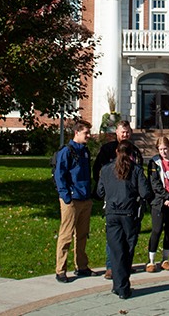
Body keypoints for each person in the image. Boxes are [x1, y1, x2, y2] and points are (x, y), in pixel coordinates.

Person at [97, 140, 153, 299]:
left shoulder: (106, 169)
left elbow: (100, 192)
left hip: (112, 214)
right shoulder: (135, 170)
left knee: (116, 251)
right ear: (131, 154)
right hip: (129, 214)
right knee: (127, 250)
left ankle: (118, 285)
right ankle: (123, 287)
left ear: (116, 152)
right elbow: (145, 192)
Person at [92, 120, 145, 280]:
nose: (125, 135)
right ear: (116, 132)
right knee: (114, 236)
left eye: (128, 132)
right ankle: (111, 267)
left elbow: (139, 173)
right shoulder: (108, 149)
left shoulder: (134, 151)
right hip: (113, 200)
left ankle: (125, 267)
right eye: (123, 132)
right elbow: (98, 170)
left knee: (129, 237)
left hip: (130, 201)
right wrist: (105, 189)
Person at [54, 120, 95, 283]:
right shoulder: (66, 151)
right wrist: (66, 196)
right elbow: (60, 175)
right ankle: (60, 269)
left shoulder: (85, 151)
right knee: (66, 235)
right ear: (77, 132)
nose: (89, 136)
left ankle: (81, 266)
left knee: (82, 234)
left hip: (85, 198)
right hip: (71, 200)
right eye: (86, 133)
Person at [145, 136, 169, 272]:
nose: (163, 152)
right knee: (156, 230)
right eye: (161, 149)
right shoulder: (154, 163)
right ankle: (151, 260)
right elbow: (154, 183)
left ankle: (165, 258)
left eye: (165, 149)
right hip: (159, 201)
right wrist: (166, 197)